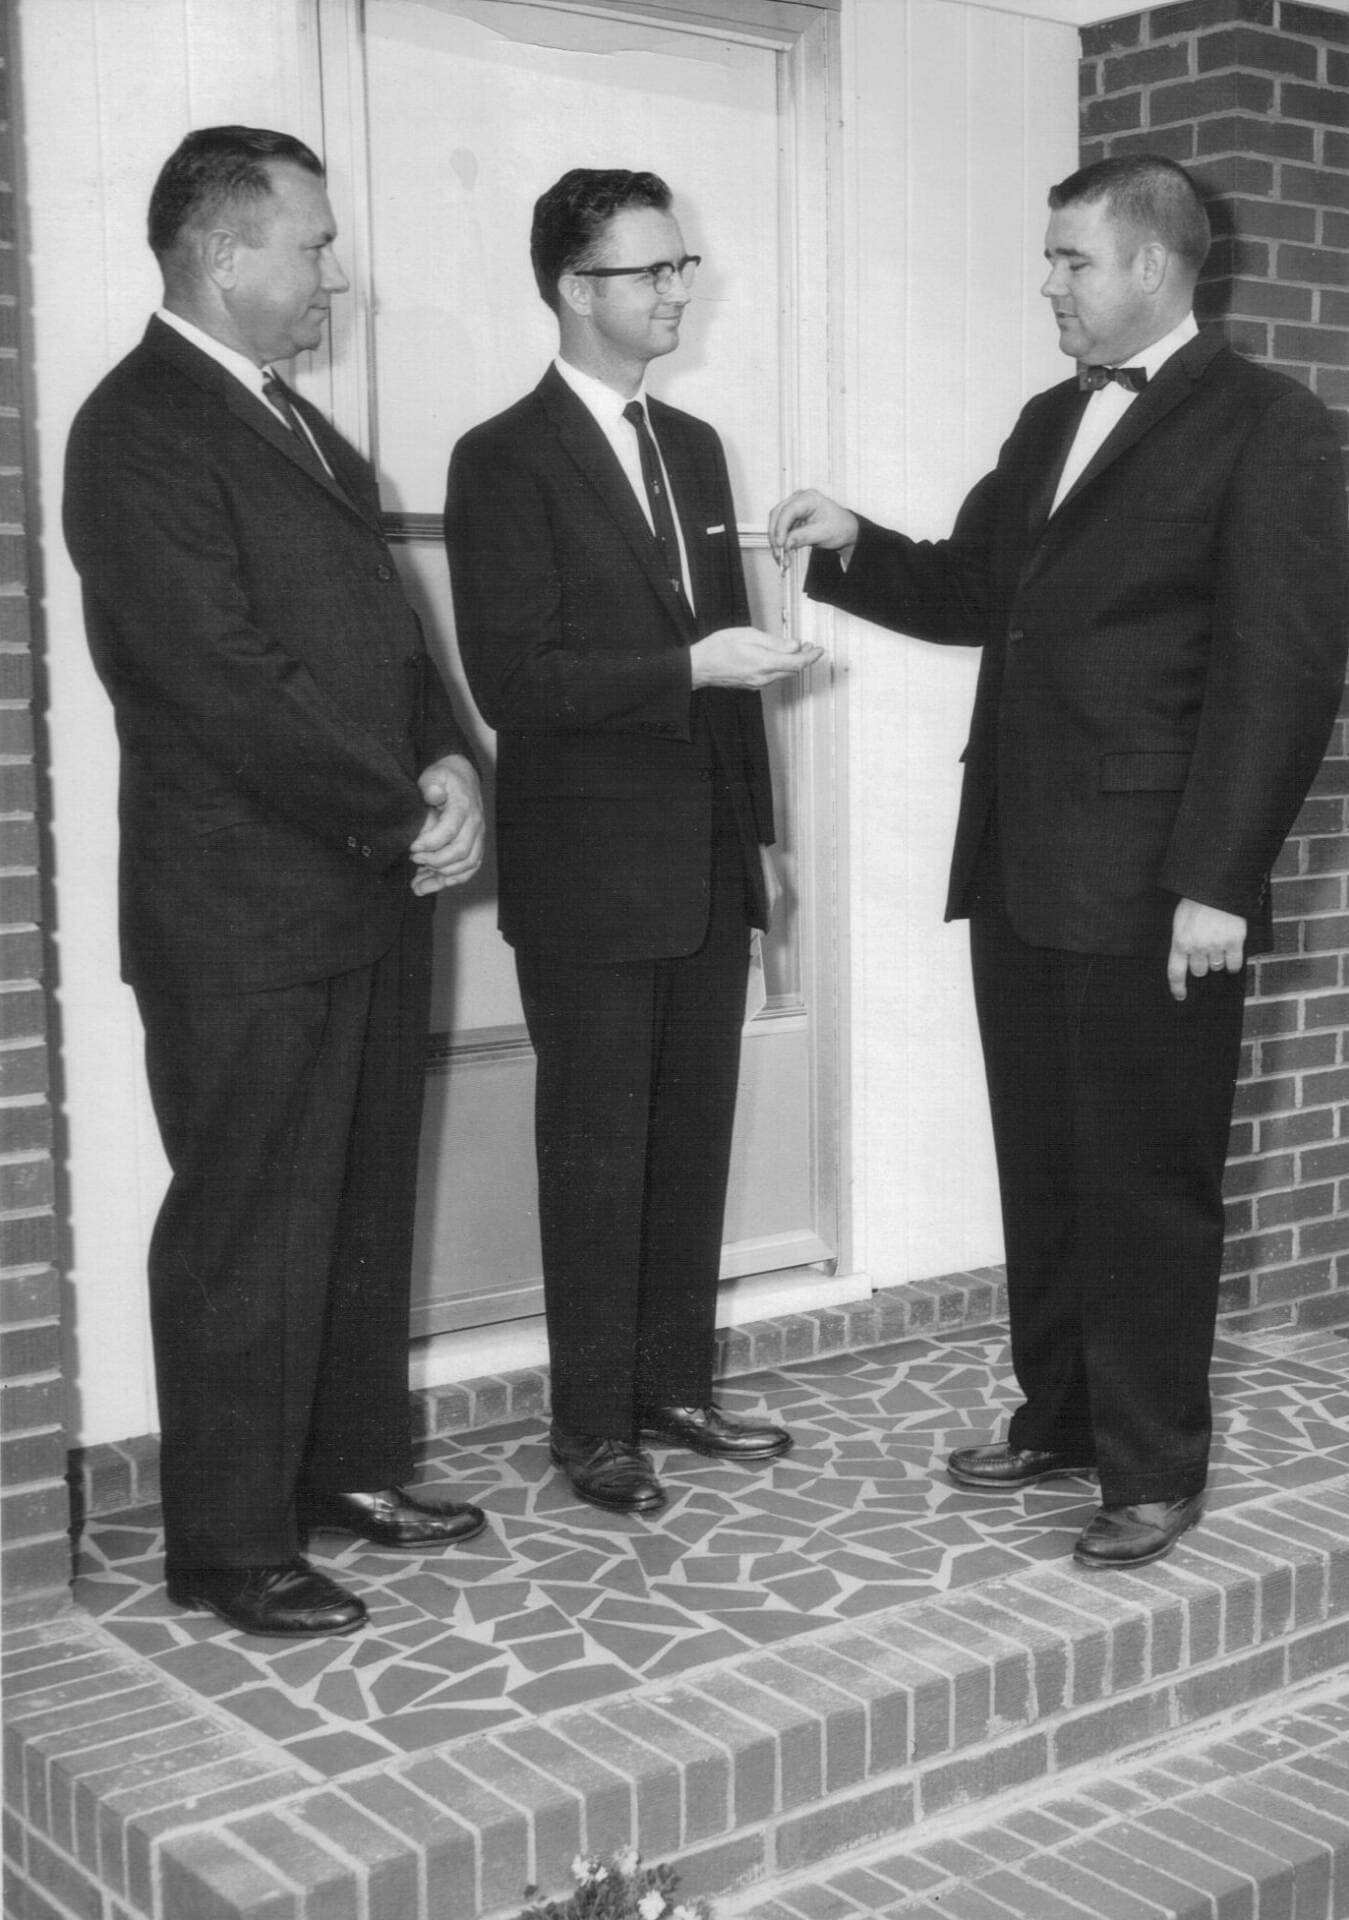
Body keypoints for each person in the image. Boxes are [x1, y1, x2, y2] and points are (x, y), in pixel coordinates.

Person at [770, 155, 1349, 1570]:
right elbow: (982, 593)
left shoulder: (1273, 428)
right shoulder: (1049, 420)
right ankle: (1064, 1417)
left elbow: (1285, 675)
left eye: (1068, 260)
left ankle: (1153, 1465)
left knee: (1147, 1177)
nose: (1048, 282)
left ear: (1153, 266)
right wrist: (855, 547)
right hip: (1024, 866)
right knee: (1046, 1164)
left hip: (1159, 883)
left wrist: (1219, 879)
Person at [63, 126, 491, 1636]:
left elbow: (391, 641)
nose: (331, 268)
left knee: (363, 1198)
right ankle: (232, 1543)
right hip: (241, 914)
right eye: (310, 242)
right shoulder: (137, 431)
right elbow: (220, 681)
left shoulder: (303, 430)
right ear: (223, 253)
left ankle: (347, 1473)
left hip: (361, 887)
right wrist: (397, 807)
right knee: (251, 1219)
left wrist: (448, 765)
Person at [445, 169, 820, 1515]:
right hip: (591, 877)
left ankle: (673, 1390)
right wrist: (687, 663)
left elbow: (732, 675)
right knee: (597, 1156)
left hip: (709, 864)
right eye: (649, 271)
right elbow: (516, 678)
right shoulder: (500, 458)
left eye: (681, 267)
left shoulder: (699, 448)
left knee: (691, 1141)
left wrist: (764, 846)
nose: (677, 290)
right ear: (570, 286)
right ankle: (593, 1427)